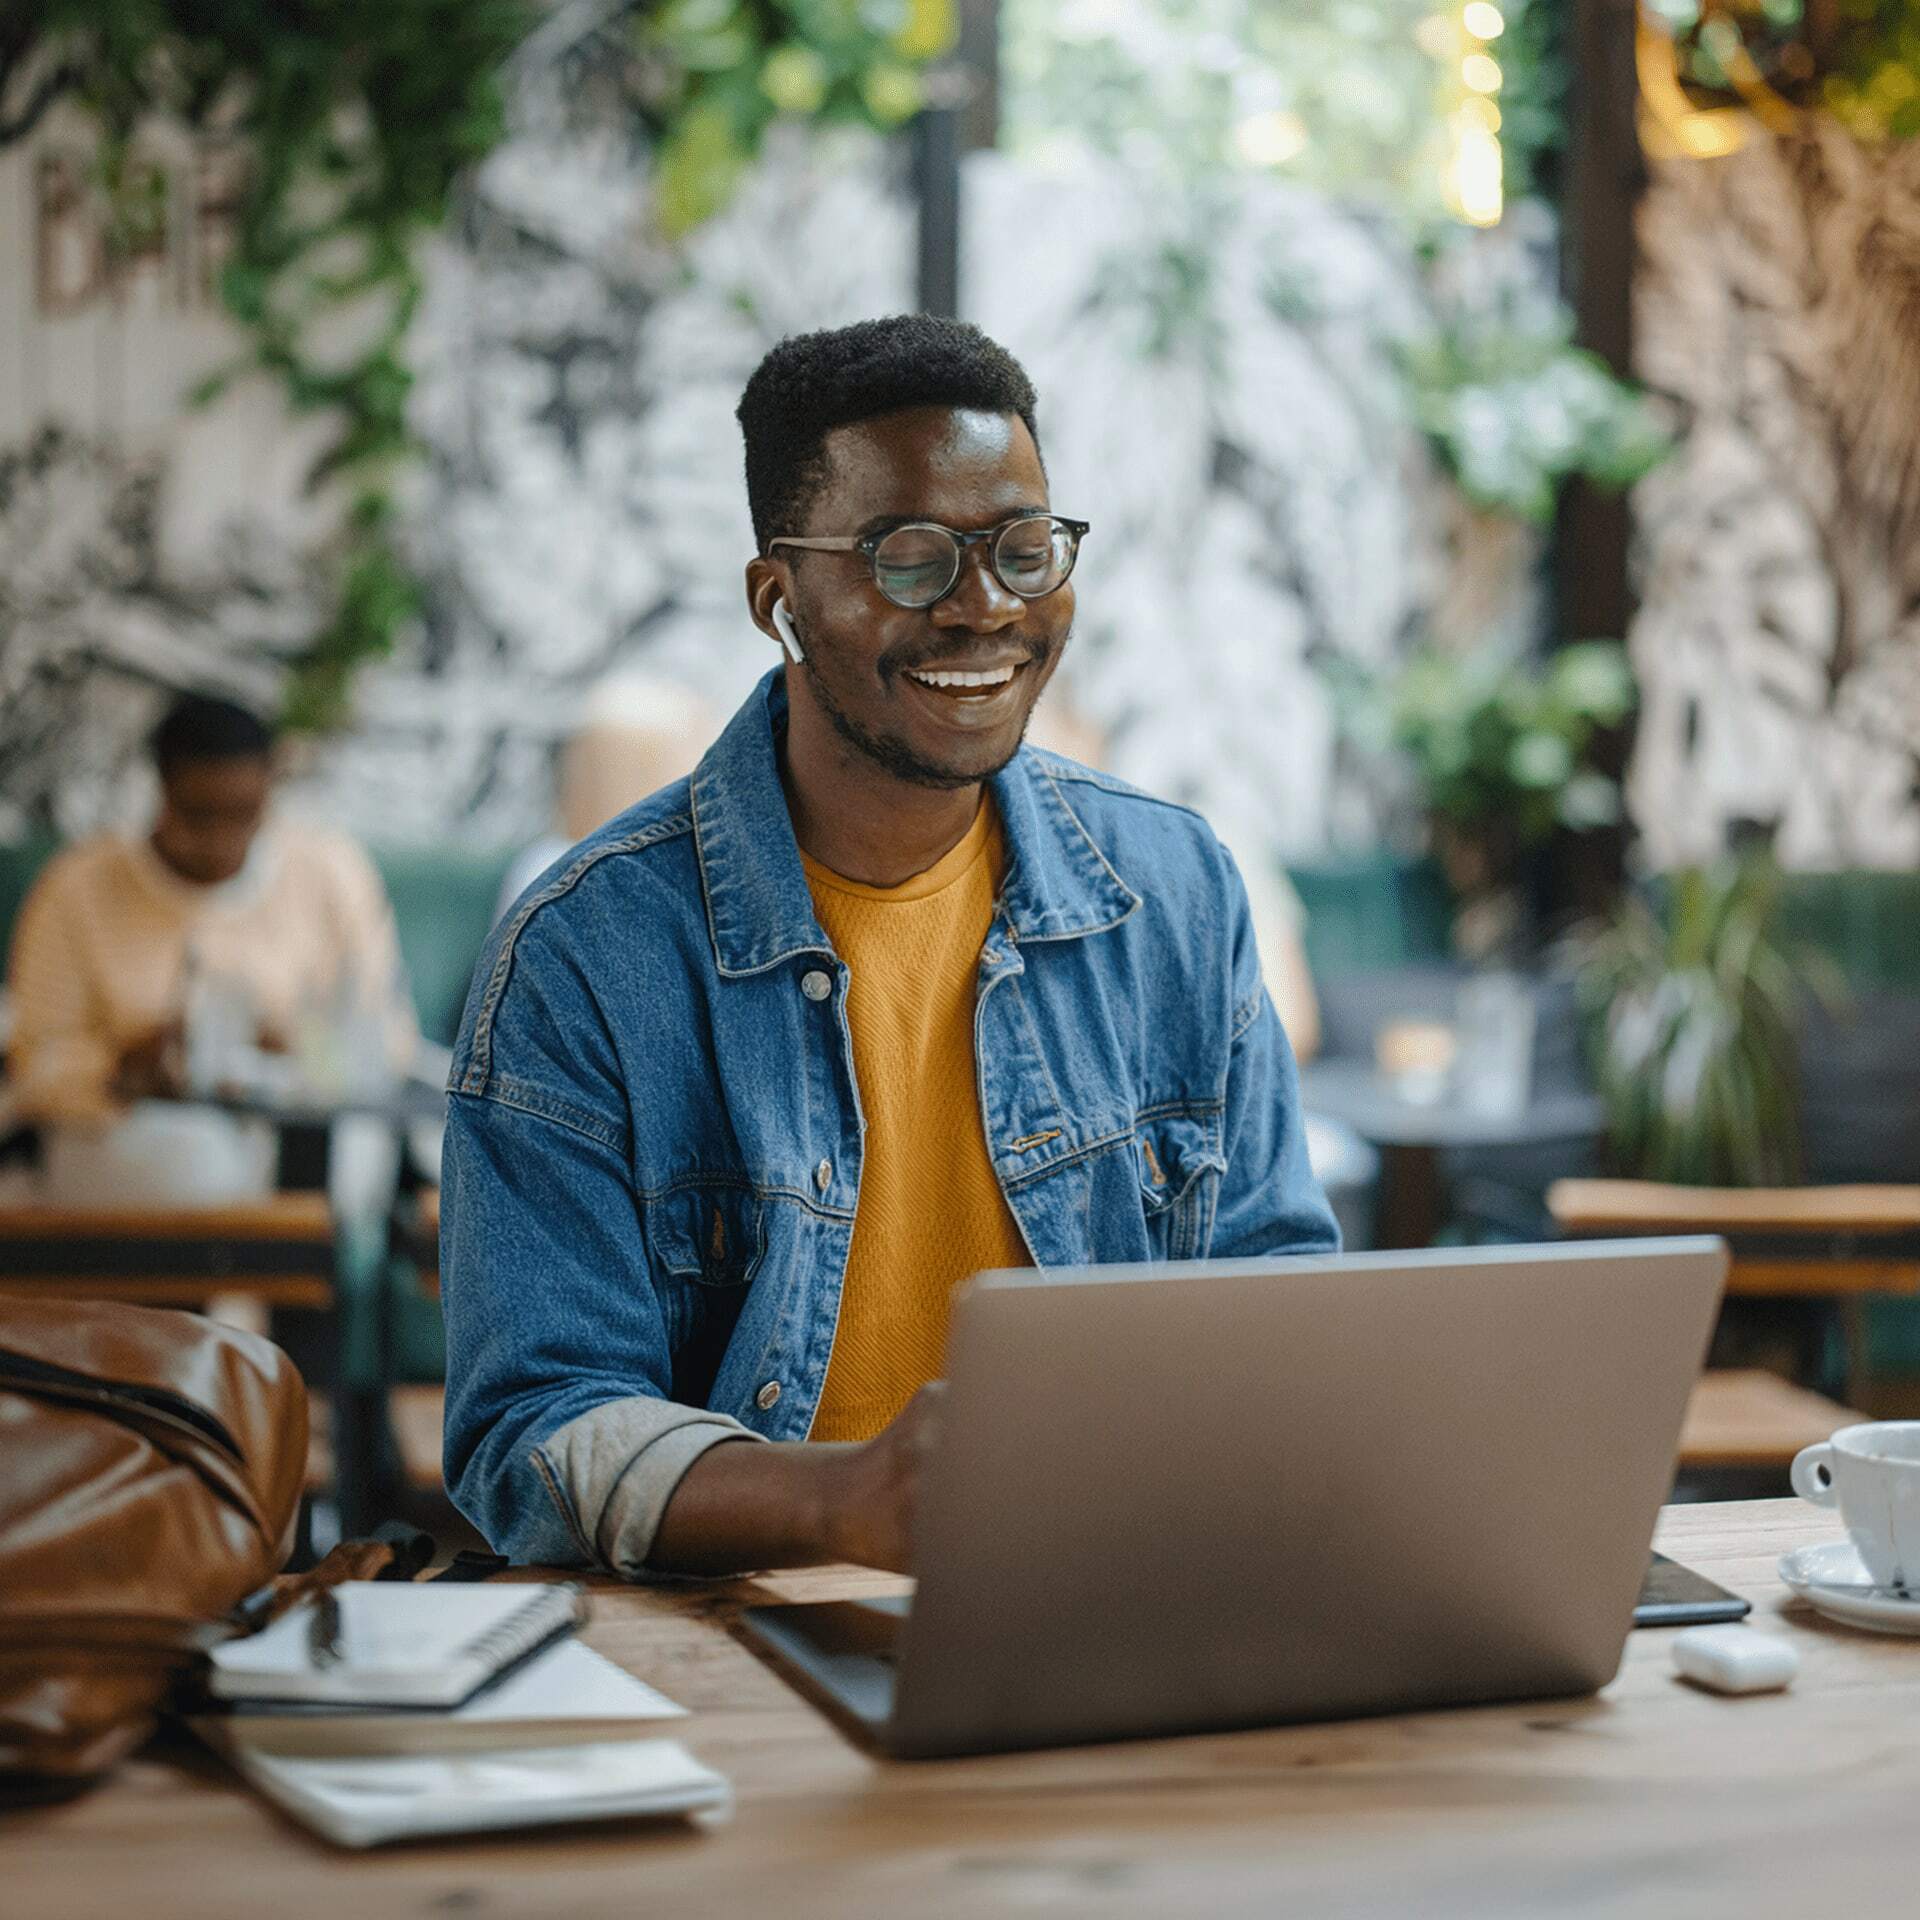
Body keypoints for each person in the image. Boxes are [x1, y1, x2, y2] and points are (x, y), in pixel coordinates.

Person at [441, 315, 1338, 1580]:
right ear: (780, 599)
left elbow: (1278, 1302)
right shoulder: (584, 956)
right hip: (748, 1635)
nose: (984, 609)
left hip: (1123, 1587)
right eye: (909, 559)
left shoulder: (1175, 891)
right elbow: (532, 1430)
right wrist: (838, 1502)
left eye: (1024, 550)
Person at [7, 693, 417, 1134]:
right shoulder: (77, 888)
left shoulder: (332, 872)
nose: (224, 839)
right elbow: (31, 1067)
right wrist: (121, 1065)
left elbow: (390, 1043)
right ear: (162, 792)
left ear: (269, 789)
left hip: (301, 1146)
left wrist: (290, 1046)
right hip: (126, 1148)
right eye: (200, 817)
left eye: (245, 814)